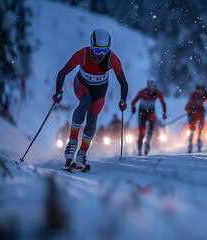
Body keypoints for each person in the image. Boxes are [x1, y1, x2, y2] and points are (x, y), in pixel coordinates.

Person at [53, 28, 128, 171]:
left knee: (93, 119)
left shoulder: (112, 59)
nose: (101, 55)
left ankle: (82, 154)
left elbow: (124, 83)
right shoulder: (83, 54)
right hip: (81, 85)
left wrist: (123, 100)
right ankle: (72, 142)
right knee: (85, 101)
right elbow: (62, 73)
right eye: (98, 50)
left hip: (100, 92)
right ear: (91, 46)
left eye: (104, 51)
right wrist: (58, 91)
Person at [131, 78, 167, 155]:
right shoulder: (142, 92)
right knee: (141, 132)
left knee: (152, 122)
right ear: (147, 86)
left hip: (151, 111)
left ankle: (148, 141)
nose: (151, 90)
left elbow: (163, 104)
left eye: (153, 88)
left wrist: (164, 114)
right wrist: (133, 108)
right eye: (150, 88)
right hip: (142, 112)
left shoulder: (158, 93)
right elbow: (133, 102)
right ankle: (139, 151)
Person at [185, 80, 207, 153]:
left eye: (202, 89)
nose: (200, 91)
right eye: (198, 89)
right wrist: (191, 109)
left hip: (200, 113)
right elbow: (187, 107)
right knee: (192, 129)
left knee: (200, 128)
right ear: (196, 89)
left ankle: (199, 142)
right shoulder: (192, 95)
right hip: (192, 114)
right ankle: (190, 144)